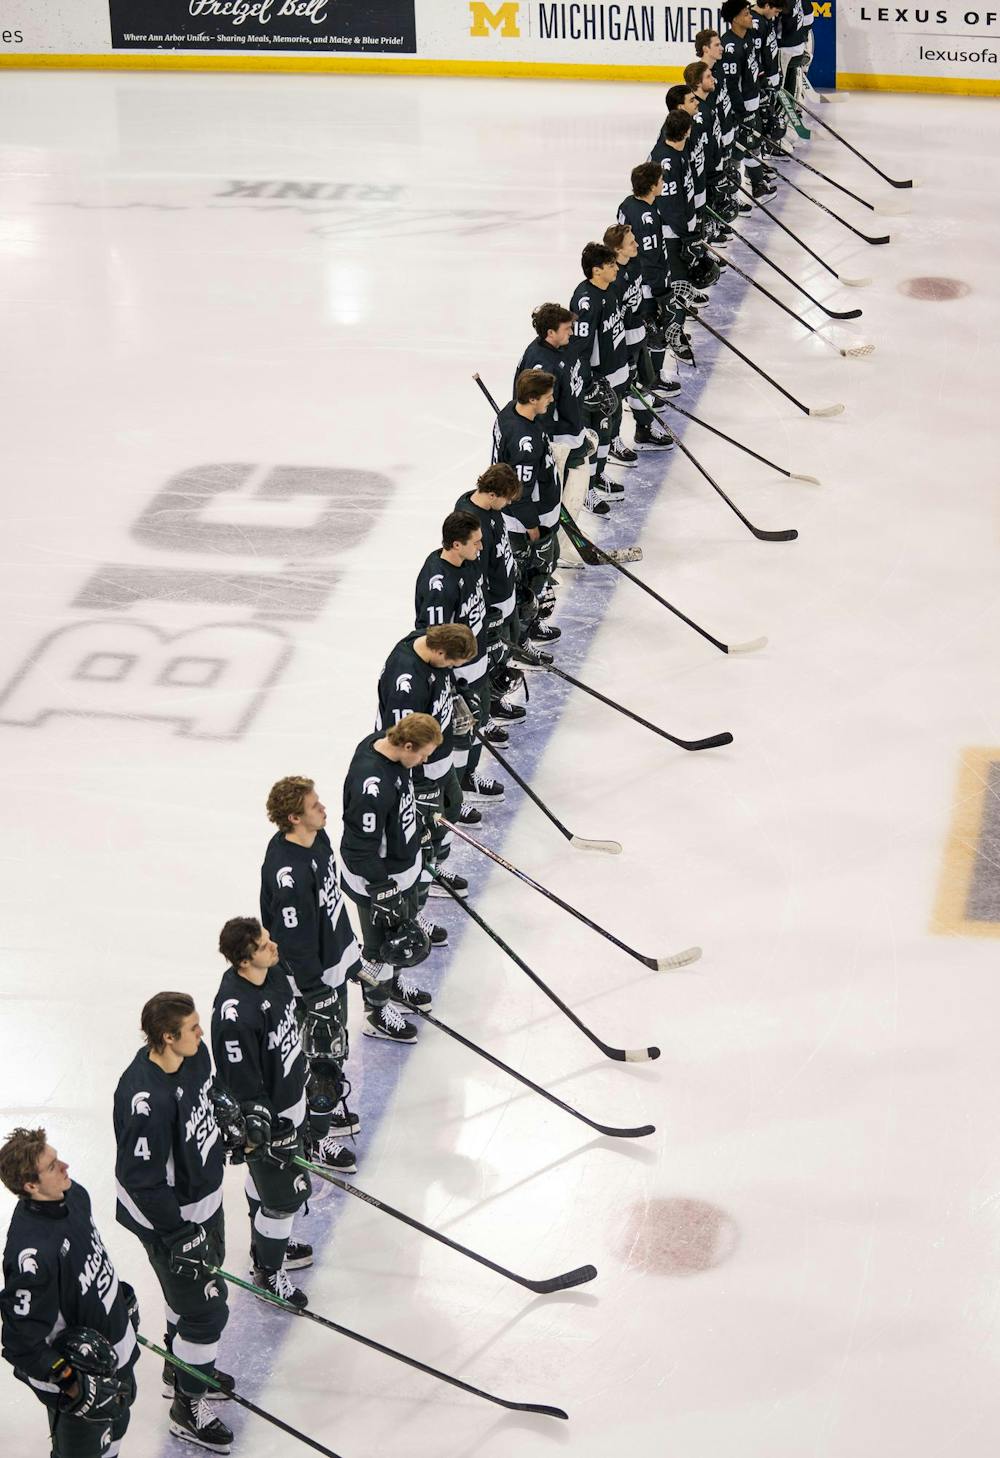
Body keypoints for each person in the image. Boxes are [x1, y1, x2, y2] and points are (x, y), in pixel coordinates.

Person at [113, 992, 234, 1453]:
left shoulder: (192, 1055)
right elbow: (140, 1181)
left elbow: (207, 1087)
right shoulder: (146, 1100)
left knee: (189, 1299)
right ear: (168, 1037)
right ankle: (188, 1405)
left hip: (205, 1201)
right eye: (193, 1029)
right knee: (205, 1313)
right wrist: (180, 1236)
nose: (203, 1035)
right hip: (171, 1220)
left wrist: (226, 1114)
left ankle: (178, 1365)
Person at [1, 1128, 138, 1458]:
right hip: (83, 1385)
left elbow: (88, 1255)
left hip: (115, 1352)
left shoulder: (74, 1196)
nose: (65, 1166)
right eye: (52, 1166)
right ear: (31, 1186)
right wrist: (70, 1380)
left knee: (118, 1425)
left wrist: (112, 1297)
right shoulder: (32, 1254)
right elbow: (20, 1344)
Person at [260, 775, 362, 1169]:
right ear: (293, 818)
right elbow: (292, 941)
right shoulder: (287, 874)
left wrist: (349, 952)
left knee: (332, 1054)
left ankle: (324, 1113)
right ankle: (313, 1139)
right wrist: (315, 991)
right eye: (314, 805)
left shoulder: (317, 839)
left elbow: (332, 905)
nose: (323, 808)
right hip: (308, 984)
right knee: (311, 1063)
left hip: (329, 969)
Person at [211, 917, 313, 1309]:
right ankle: (268, 1272)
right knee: (283, 1200)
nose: (274, 946)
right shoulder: (234, 1016)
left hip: (293, 1098)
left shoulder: (271, 974)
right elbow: (243, 1087)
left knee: (268, 1188)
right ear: (243, 960)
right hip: (272, 1120)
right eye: (264, 944)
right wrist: (269, 1129)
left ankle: (265, 1245)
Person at [339, 714, 445, 1044]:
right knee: (379, 951)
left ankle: (394, 985)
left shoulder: (387, 748)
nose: (425, 761)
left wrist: (416, 822)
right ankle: (377, 1011)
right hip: (379, 881)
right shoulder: (372, 785)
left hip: (403, 868)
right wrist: (382, 890)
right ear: (407, 745)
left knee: (401, 935)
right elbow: (359, 849)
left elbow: (399, 802)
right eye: (423, 754)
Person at [375, 621, 476, 915]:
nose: (454, 667)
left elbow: (448, 677)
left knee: (452, 807)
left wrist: (461, 694)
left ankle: (432, 870)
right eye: (454, 663)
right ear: (441, 651)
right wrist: (414, 785)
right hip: (419, 772)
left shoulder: (429, 644)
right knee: (423, 833)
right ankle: (424, 877)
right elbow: (402, 740)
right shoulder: (405, 684)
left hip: (439, 760)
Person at [414, 508, 513, 807]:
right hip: (458, 674)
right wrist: (452, 685)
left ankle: (469, 775)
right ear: (456, 544)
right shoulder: (438, 585)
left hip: (477, 665)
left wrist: (490, 631)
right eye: (475, 542)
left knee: (478, 723)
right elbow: (432, 640)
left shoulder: (469, 563)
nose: (481, 547)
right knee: (458, 737)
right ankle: (456, 795)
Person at [491, 370, 565, 629]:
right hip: (526, 523)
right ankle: (526, 631)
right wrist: (533, 529)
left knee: (544, 565)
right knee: (529, 576)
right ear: (532, 399)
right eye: (547, 396)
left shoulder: (510, 409)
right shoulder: (525, 444)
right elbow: (518, 495)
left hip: (534, 515)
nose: (552, 400)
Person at [602, 222, 675, 452]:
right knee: (616, 395)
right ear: (617, 250)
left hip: (638, 337)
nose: (637, 244)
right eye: (631, 243)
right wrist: (624, 355)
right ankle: (612, 442)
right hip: (620, 347)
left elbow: (637, 300)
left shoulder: (634, 264)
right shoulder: (613, 280)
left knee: (645, 383)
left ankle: (644, 430)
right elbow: (613, 323)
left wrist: (647, 318)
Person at [570, 241, 629, 509]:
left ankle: (599, 476)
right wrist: (591, 382)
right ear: (596, 271)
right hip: (598, 382)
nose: (616, 268)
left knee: (608, 432)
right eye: (610, 265)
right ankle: (586, 490)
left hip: (615, 374)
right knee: (593, 437)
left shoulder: (610, 289)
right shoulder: (585, 302)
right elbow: (579, 350)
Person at [617, 162, 685, 397]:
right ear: (652, 186)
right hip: (648, 286)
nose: (664, 184)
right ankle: (653, 379)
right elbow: (650, 257)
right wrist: (662, 292)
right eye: (661, 181)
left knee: (646, 333)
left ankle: (649, 378)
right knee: (657, 332)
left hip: (636, 281)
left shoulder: (627, 204)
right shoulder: (647, 217)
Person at [719, 0, 775, 201]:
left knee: (753, 143)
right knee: (737, 152)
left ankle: (757, 185)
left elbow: (752, 71)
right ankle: (732, 199)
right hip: (740, 109)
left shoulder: (748, 36)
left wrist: (761, 92)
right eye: (745, 14)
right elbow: (731, 85)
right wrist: (741, 114)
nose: (751, 17)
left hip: (751, 102)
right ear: (735, 19)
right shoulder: (730, 47)